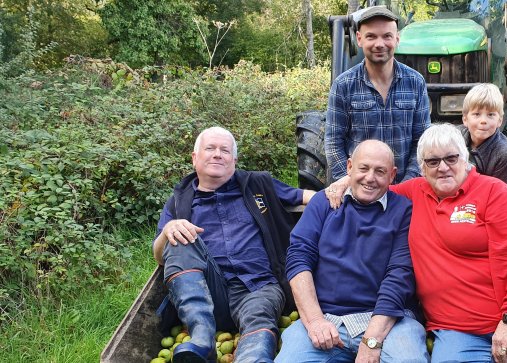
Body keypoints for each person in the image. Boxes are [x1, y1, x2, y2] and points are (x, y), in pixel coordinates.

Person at [390, 124, 507, 363]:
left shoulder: (496, 194)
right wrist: (339, 186)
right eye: (433, 161)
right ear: (422, 168)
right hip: (455, 327)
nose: (443, 167)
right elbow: (372, 191)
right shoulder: (413, 192)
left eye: (451, 158)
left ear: (465, 157)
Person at [152, 127, 315, 363]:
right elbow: (159, 256)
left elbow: (304, 197)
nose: (218, 154)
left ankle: (253, 357)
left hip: (258, 286)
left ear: (234, 160)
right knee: (179, 236)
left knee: (258, 318)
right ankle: (202, 338)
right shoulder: (178, 201)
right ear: (195, 158)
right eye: (210, 148)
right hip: (208, 293)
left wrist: (338, 190)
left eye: (225, 150)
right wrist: (168, 232)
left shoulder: (258, 184)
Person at [276, 140, 428, 363]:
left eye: (380, 171)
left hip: (388, 321)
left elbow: (400, 276)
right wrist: (316, 320)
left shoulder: (403, 211)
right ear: (349, 167)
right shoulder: (323, 203)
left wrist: (372, 340)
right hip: (326, 318)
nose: (370, 178)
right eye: (363, 168)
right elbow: (299, 259)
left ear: (392, 175)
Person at [324, 6, 431, 207]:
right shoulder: (343, 85)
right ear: (359, 38)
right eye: (371, 36)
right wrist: (349, 180)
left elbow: (422, 141)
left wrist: (407, 186)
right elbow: (333, 141)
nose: (379, 44)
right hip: (359, 192)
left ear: (397, 39)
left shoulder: (415, 82)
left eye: (387, 36)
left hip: (404, 193)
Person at [459, 83, 507, 189]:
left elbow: (496, 193)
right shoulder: (455, 139)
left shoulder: (504, 154)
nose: (483, 121)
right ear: (465, 119)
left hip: (493, 197)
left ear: (499, 121)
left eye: (490, 115)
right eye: (477, 114)